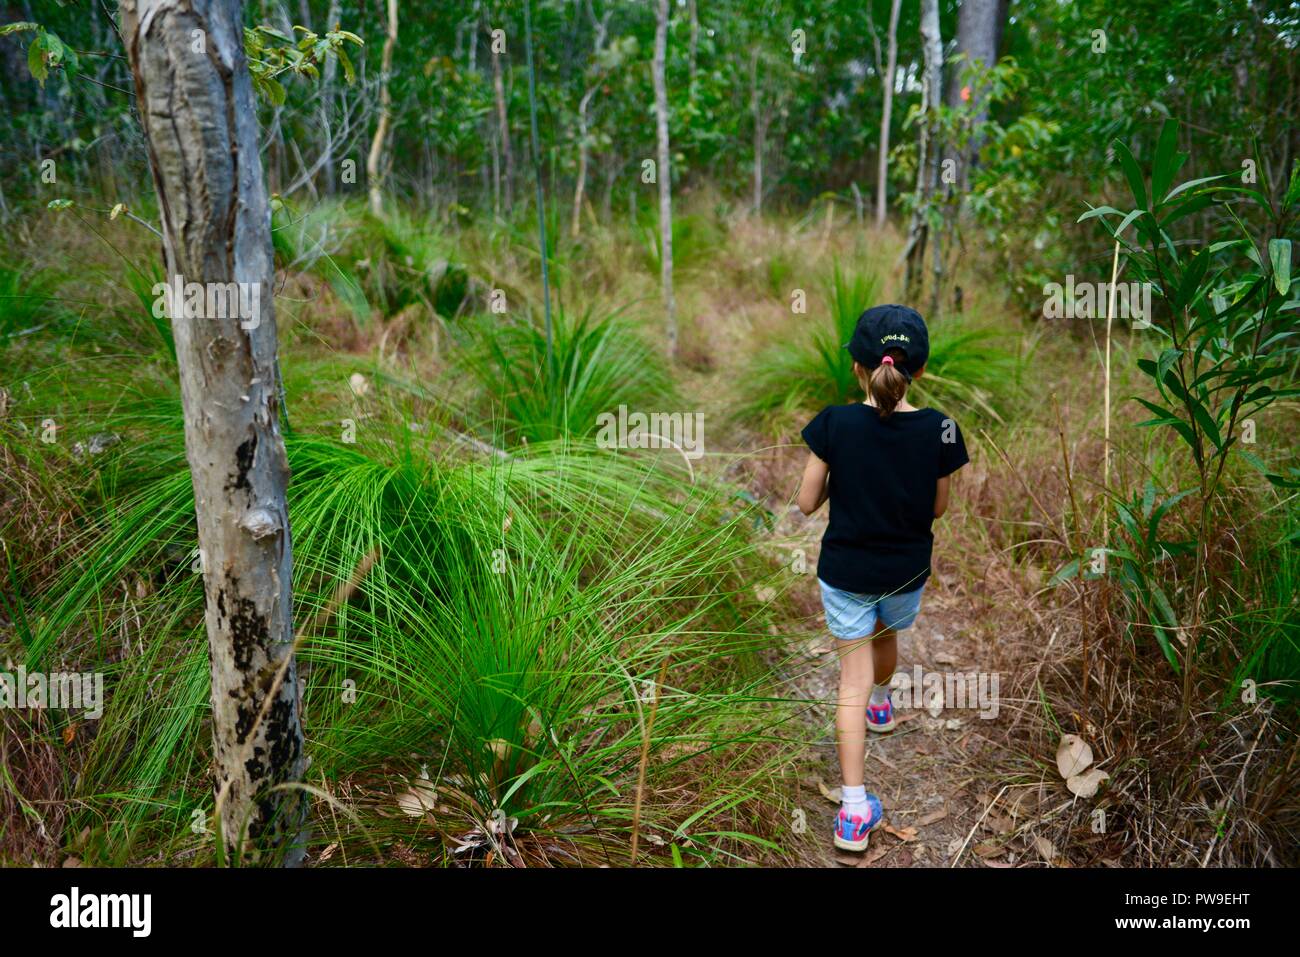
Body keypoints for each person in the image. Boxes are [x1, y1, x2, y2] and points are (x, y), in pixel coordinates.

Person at [796, 303, 969, 852]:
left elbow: (804, 503)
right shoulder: (940, 428)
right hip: (905, 571)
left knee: (850, 676)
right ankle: (882, 702)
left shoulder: (834, 423)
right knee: (886, 638)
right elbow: (938, 508)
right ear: (919, 370)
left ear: (857, 368)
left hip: (845, 572)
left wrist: (835, 481)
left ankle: (851, 812)